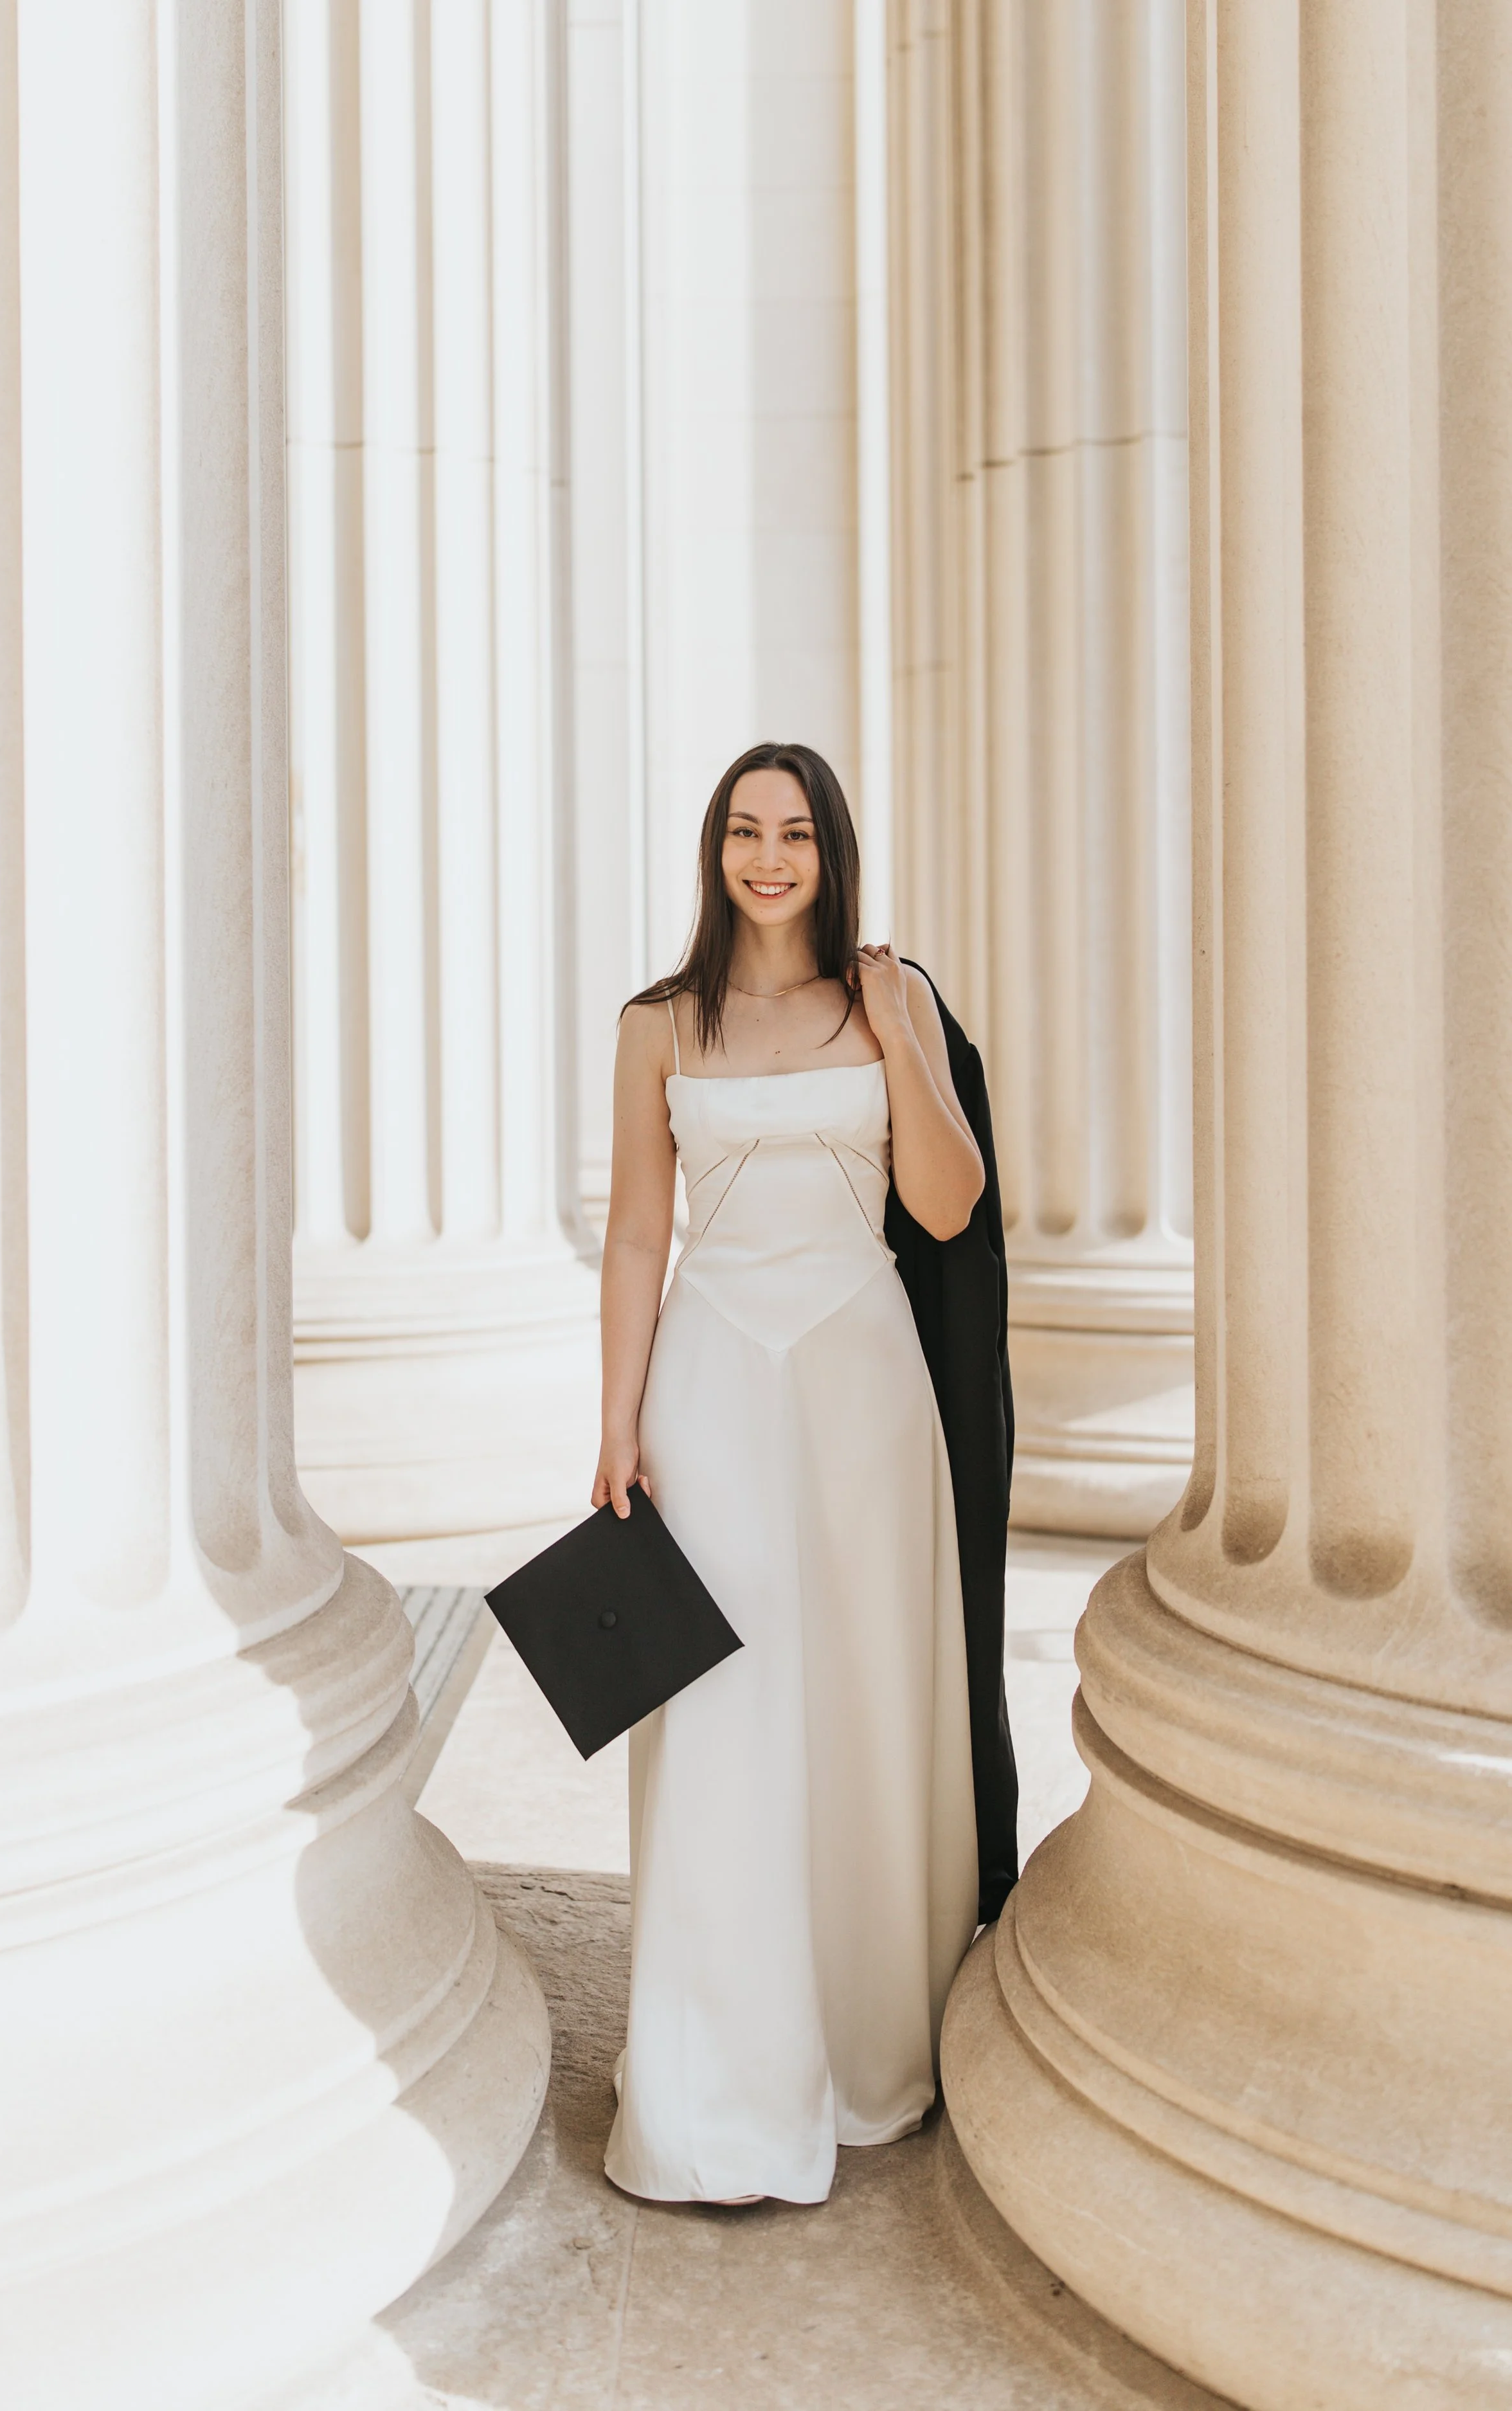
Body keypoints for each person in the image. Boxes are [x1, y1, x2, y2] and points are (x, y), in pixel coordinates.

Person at [595, 740, 987, 2208]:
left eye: (797, 835)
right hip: (708, 1379)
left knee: (867, 1699)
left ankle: (866, 2043)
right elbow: (641, 1232)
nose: (769, 858)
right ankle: (719, 2079)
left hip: (860, 1380)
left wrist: (899, 1035)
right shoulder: (653, 1024)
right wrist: (616, 1419)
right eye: (745, 833)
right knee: (721, 1706)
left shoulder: (892, 1000)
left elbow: (943, 1208)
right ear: (715, 851)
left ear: (832, 855)